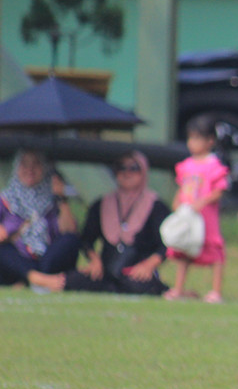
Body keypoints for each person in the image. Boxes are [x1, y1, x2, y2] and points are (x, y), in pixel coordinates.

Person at [63, 152, 170, 296]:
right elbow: (86, 239)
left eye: (133, 168)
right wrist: (94, 261)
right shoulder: (102, 204)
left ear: (143, 172)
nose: (127, 173)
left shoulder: (156, 206)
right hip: (106, 270)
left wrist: (148, 265)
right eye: (121, 168)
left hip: (136, 271)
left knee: (141, 287)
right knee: (74, 281)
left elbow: (167, 244)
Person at [164, 115, 229, 303]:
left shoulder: (214, 165)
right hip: (187, 216)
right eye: (190, 138)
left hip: (206, 218)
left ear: (210, 141)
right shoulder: (186, 165)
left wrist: (204, 201)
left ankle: (216, 291)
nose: (193, 143)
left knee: (214, 251)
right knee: (183, 250)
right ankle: (178, 288)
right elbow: (182, 187)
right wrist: (177, 201)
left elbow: (220, 189)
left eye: (197, 138)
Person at [0, 149, 79, 292]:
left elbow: (69, 230)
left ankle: (34, 280)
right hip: (17, 261)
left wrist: (61, 198)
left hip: (46, 260)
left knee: (70, 240)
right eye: (24, 164)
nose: (30, 170)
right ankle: (34, 279)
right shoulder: (6, 200)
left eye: (36, 164)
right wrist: (11, 230)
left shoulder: (52, 199)